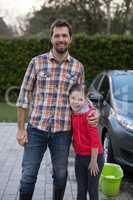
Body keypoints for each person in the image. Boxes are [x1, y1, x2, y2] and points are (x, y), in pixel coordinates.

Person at [16, 19, 99, 200]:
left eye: (64, 35)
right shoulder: (36, 62)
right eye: (57, 35)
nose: (60, 39)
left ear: (70, 39)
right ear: (51, 38)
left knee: (61, 178)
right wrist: (21, 128)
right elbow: (24, 95)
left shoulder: (78, 67)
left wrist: (96, 113)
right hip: (36, 129)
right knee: (28, 177)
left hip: (63, 132)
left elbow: (82, 99)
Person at [69, 84, 104, 200]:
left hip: (94, 157)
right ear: (69, 98)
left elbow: (95, 140)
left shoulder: (89, 115)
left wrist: (94, 162)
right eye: (73, 98)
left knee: (92, 190)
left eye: (80, 99)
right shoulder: (72, 114)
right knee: (81, 190)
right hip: (80, 158)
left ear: (85, 100)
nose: (76, 102)